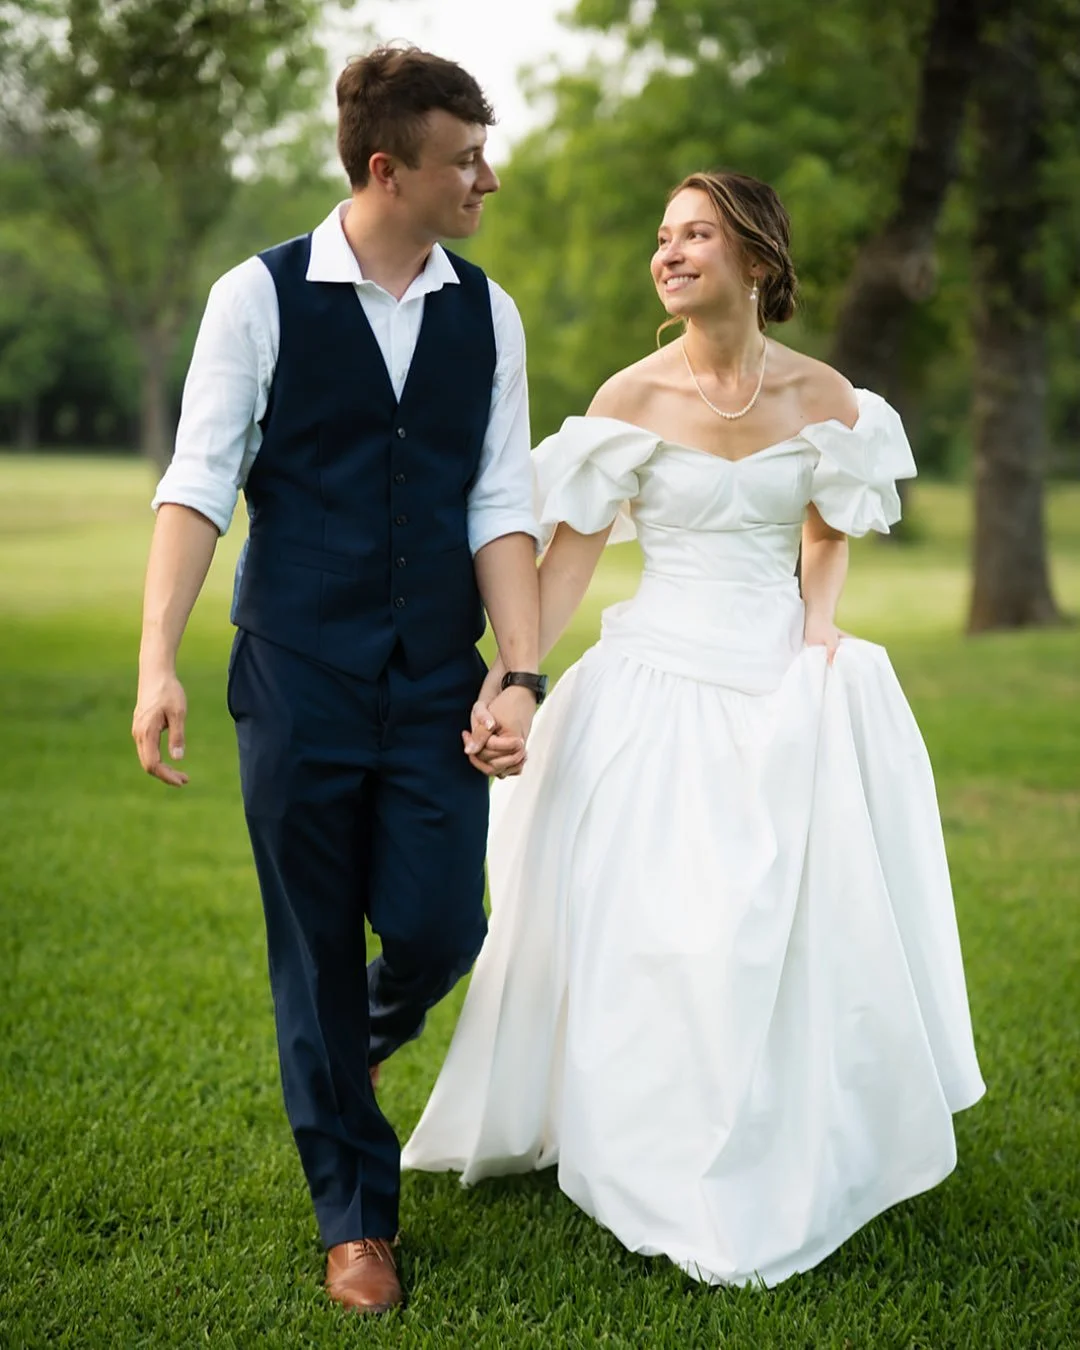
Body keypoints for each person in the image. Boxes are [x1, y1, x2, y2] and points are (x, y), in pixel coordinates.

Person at [403, 169, 986, 1288]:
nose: (668, 253)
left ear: (759, 260)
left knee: (759, 928)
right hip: (655, 682)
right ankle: (646, 1150)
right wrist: (517, 678)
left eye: (696, 235)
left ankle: (775, 1137)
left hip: (772, 669)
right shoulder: (630, 400)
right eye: (662, 235)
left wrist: (819, 640)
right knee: (663, 934)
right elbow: (565, 561)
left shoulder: (831, 401)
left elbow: (824, 536)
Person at [131, 46, 543, 1315]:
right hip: (299, 673)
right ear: (387, 170)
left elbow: (499, 498)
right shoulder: (254, 299)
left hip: (433, 677)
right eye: (464, 158)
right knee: (310, 948)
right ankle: (355, 1219)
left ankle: (339, 1055)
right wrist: (158, 659)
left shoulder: (489, 309)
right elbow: (200, 484)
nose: (488, 175)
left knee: (441, 926)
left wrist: (521, 671)